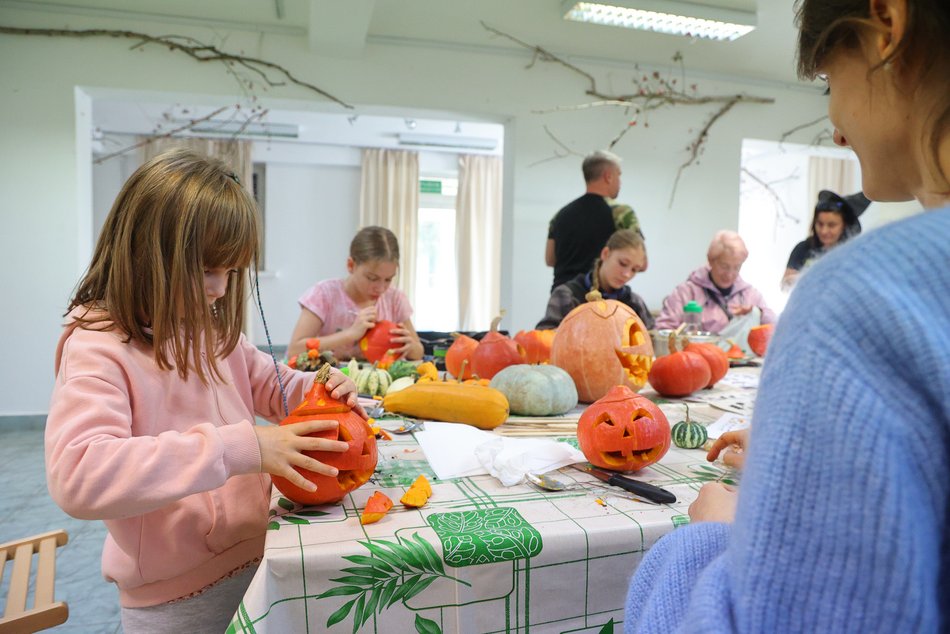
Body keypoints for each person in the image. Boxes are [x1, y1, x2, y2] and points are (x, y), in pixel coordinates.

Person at [625, 0, 950, 631]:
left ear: (887, 24)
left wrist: (718, 540)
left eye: (831, 81)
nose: (834, 124)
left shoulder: (861, 301)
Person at [45, 149, 365, 634]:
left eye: (233, 273)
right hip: (174, 596)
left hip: (256, 555)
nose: (220, 290)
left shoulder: (211, 331)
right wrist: (243, 446)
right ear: (144, 254)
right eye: (207, 271)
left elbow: (268, 384)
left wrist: (317, 388)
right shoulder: (97, 348)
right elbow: (80, 474)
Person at [287, 226, 423, 361]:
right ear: (351, 265)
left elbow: (418, 352)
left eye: (388, 279)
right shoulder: (324, 294)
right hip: (332, 379)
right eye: (372, 278)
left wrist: (410, 346)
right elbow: (294, 351)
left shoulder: (394, 298)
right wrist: (350, 334)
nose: (381, 288)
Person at [655, 230, 775, 333]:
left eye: (736, 267)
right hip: (697, 358)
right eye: (724, 266)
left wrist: (758, 313)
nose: (729, 274)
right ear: (711, 260)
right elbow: (663, 330)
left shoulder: (750, 295)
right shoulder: (686, 293)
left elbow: (774, 327)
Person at [536, 229, 653, 330]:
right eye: (623, 263)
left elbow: (650, 339)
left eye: (634, 270)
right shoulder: (567, 296)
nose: (627, 274)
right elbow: (544, 338)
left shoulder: (635, 303)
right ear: (605, 253)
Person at [545, 150, 622, 290]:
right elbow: (640, 261)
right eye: (619, 175)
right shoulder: (620, 214)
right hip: (599, 301)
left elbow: (550, 259)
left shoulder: (560, 215)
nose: (620, 182)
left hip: (562, 298)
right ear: (608, 177)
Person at [781, 189, 870, 290]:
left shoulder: (853, 254)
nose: (824, 231)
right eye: (820, 224)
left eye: (832, 225)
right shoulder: (803, 248)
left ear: (844, 226)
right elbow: (785, 285)